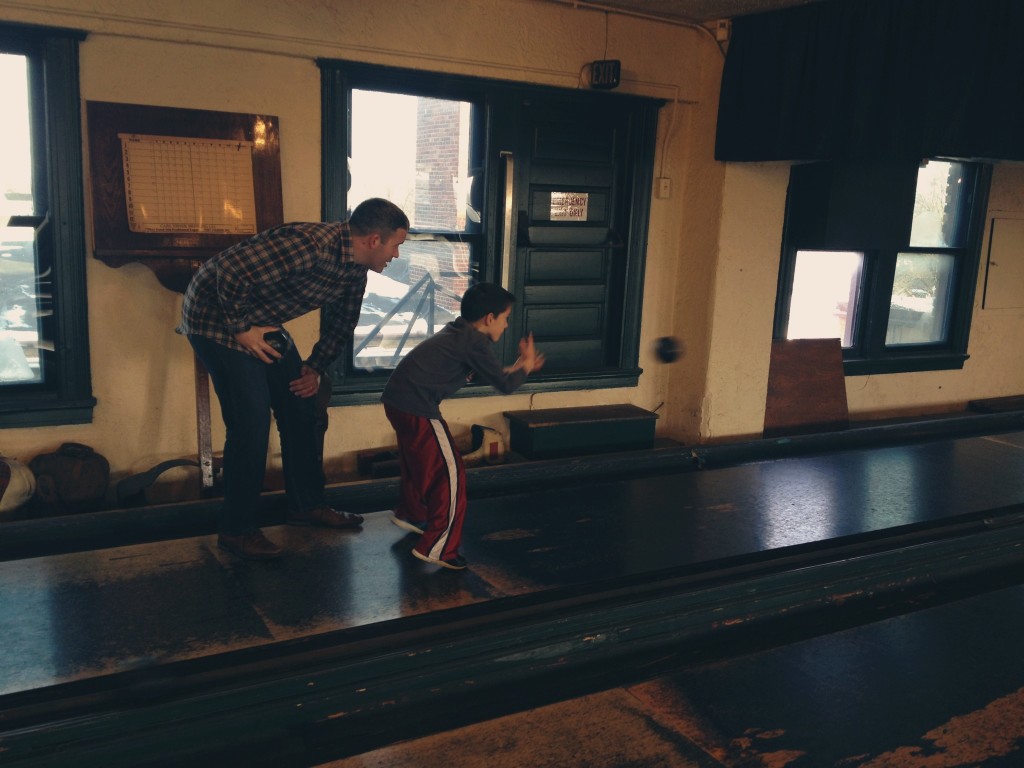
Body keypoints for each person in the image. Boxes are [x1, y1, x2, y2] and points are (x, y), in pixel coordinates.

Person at [177, 198, 410, 560]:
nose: (396, 255)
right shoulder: (310, 246)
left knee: (302, 402)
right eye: (396, 245)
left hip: (261, 320)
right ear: (374, 240)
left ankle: (306, 506)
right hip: (215, 319)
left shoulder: (355, 269)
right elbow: (232, 271)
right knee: (251, 423)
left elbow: (342, 323)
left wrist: (314, 367)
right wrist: (241, 330)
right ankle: (236, 530)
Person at [381, 283, 545, 570]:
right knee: (451, 473)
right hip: (417, 405)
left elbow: (494, 374)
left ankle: (413, 513)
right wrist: (526, 367)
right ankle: (439, 548)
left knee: (420, 463)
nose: (506, 326)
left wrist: (520, 365)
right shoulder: (473, 342)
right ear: (490, 318)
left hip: (398, 401)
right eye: (505, 318)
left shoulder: (461, 334)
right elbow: (505, 384)